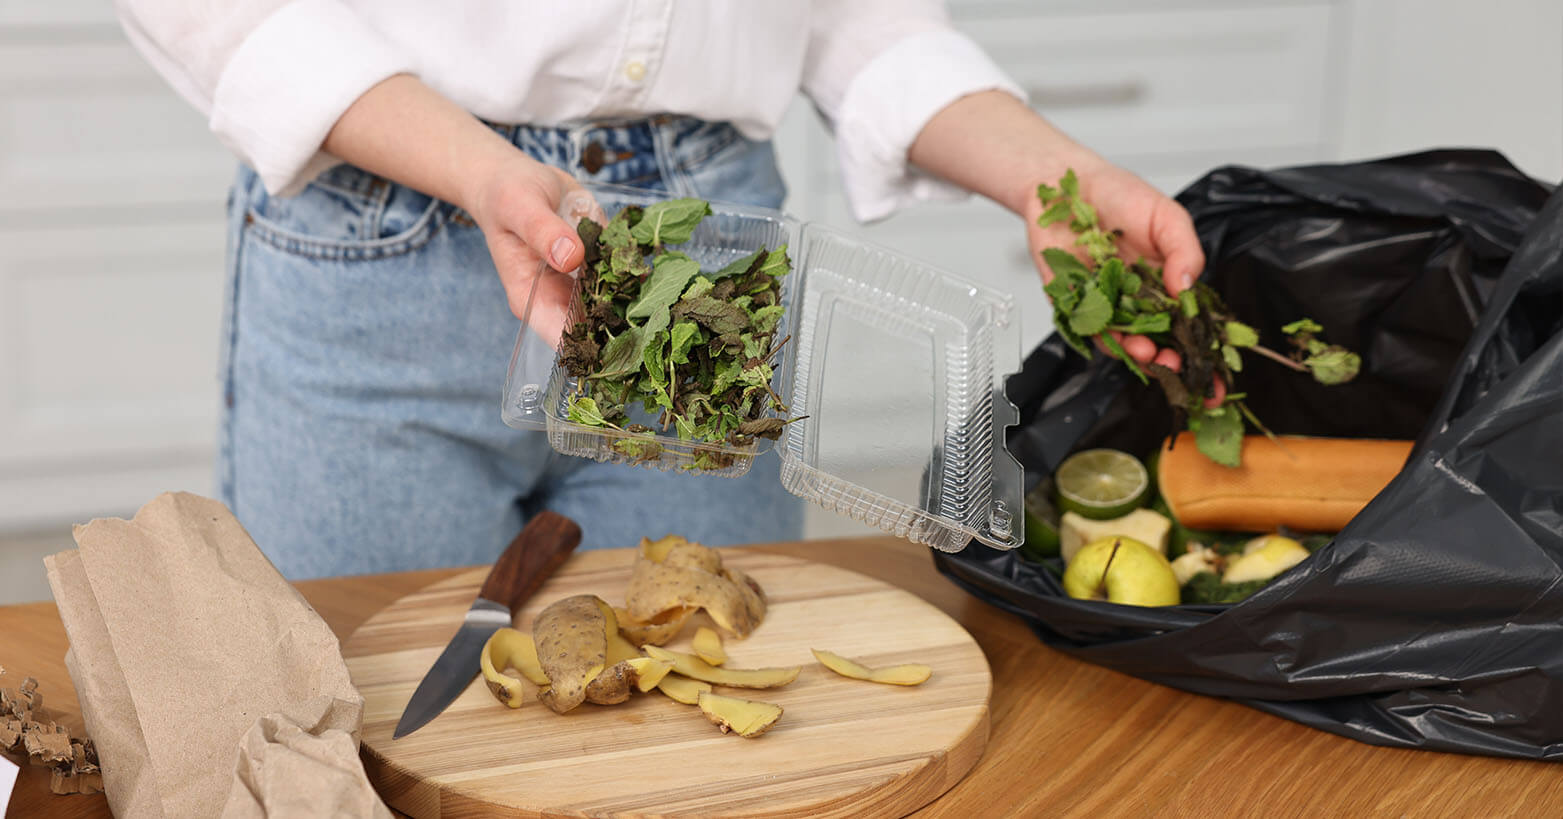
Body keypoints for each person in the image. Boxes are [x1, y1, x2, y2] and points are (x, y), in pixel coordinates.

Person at [115, 2, 1205, 579]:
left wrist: (1048, 180)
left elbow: (852, 18)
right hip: (394, 217)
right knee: (364, 721)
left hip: (699, 253)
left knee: (690, 697)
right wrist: (483, 169)